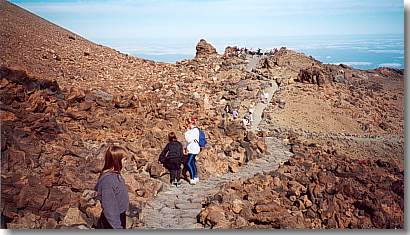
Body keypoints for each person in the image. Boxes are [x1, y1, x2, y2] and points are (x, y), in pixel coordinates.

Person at [95, 145, 129, 229]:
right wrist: (118, 227)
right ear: (116, 161)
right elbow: (109, 208)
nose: (126, 162)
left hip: (119, 215)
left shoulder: (116, 175)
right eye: (124, 160)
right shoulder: (108, 180)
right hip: (111, 222)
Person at [184, 119, 201, 185]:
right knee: (192, 162)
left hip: (193, 149)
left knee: (189, 163)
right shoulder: (194, 130)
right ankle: (195, 176)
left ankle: (193, 177)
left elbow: (188, 140)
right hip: (193, 149)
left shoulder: (194, 130)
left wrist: (187, 132)